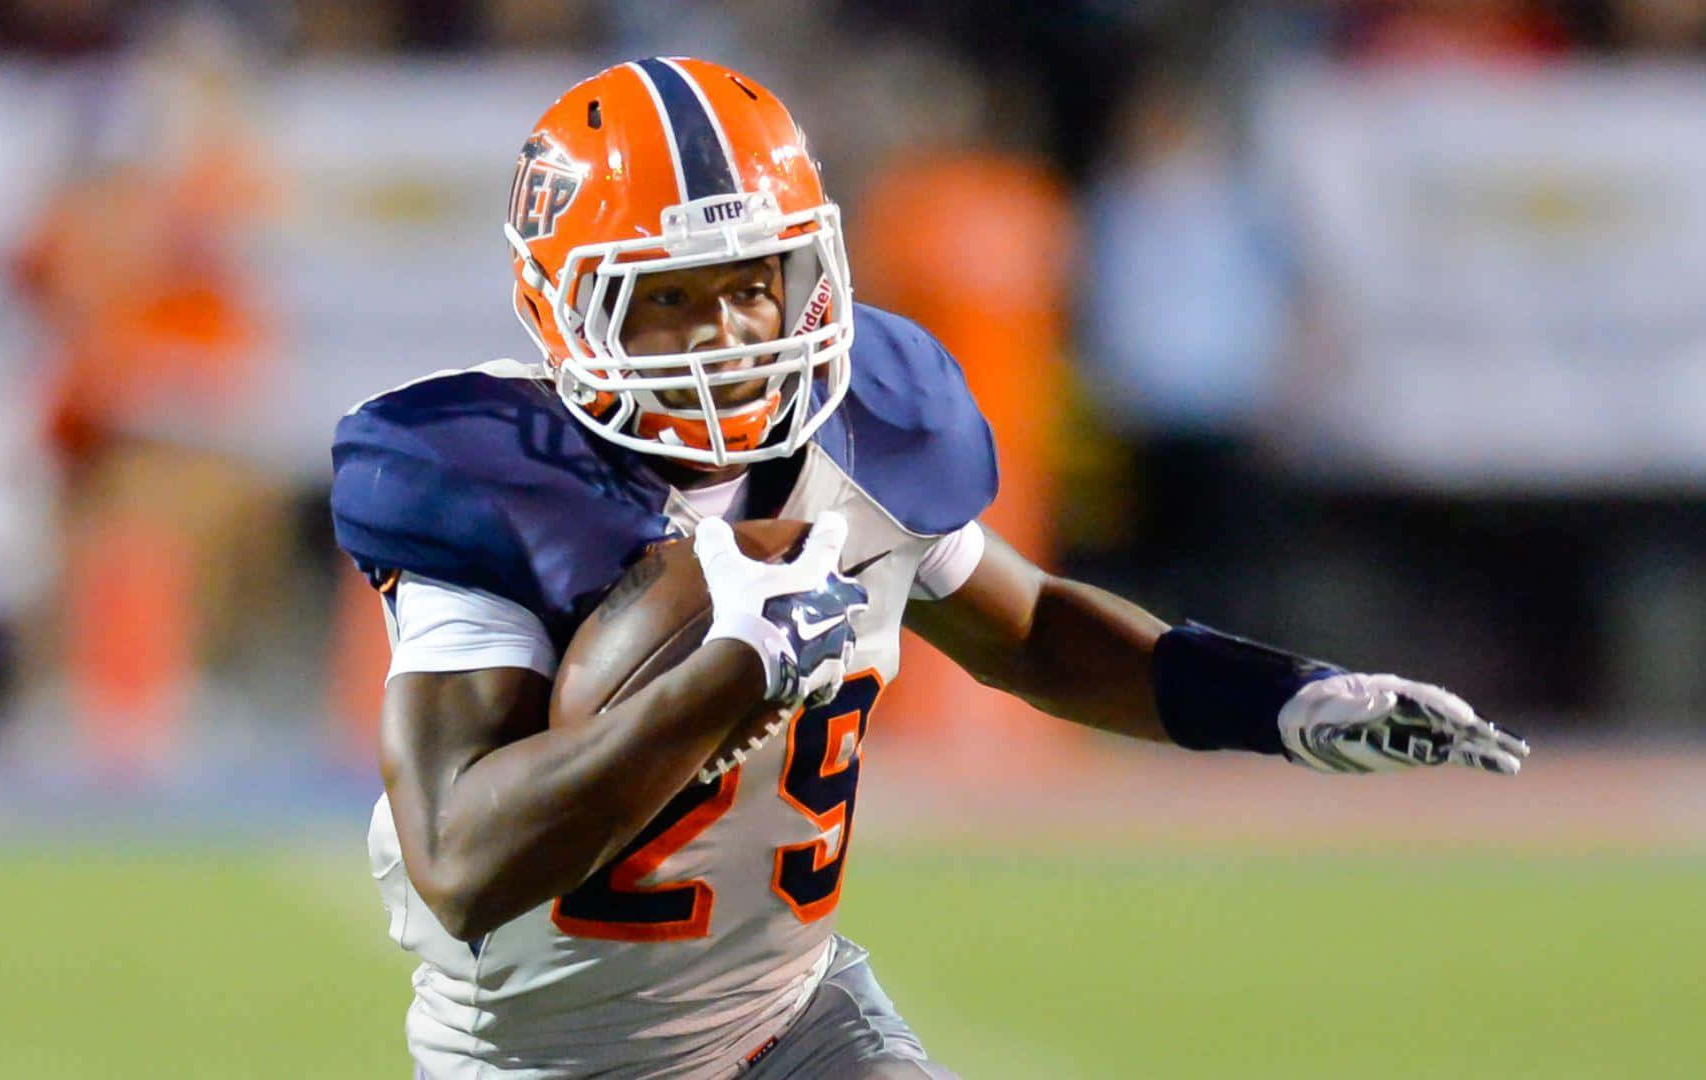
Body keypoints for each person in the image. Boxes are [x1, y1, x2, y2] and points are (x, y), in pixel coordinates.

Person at [329, 56, 1529, 1080]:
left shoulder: (863, 433)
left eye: (755, 283)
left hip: (791, 1020)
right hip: (547, 1062)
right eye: (671, 299)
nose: (732, 334)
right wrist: (731, 675)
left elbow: (1035, 628)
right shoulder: (489, 477)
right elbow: (463, 862)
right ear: (564, 306)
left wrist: (1285, 700)